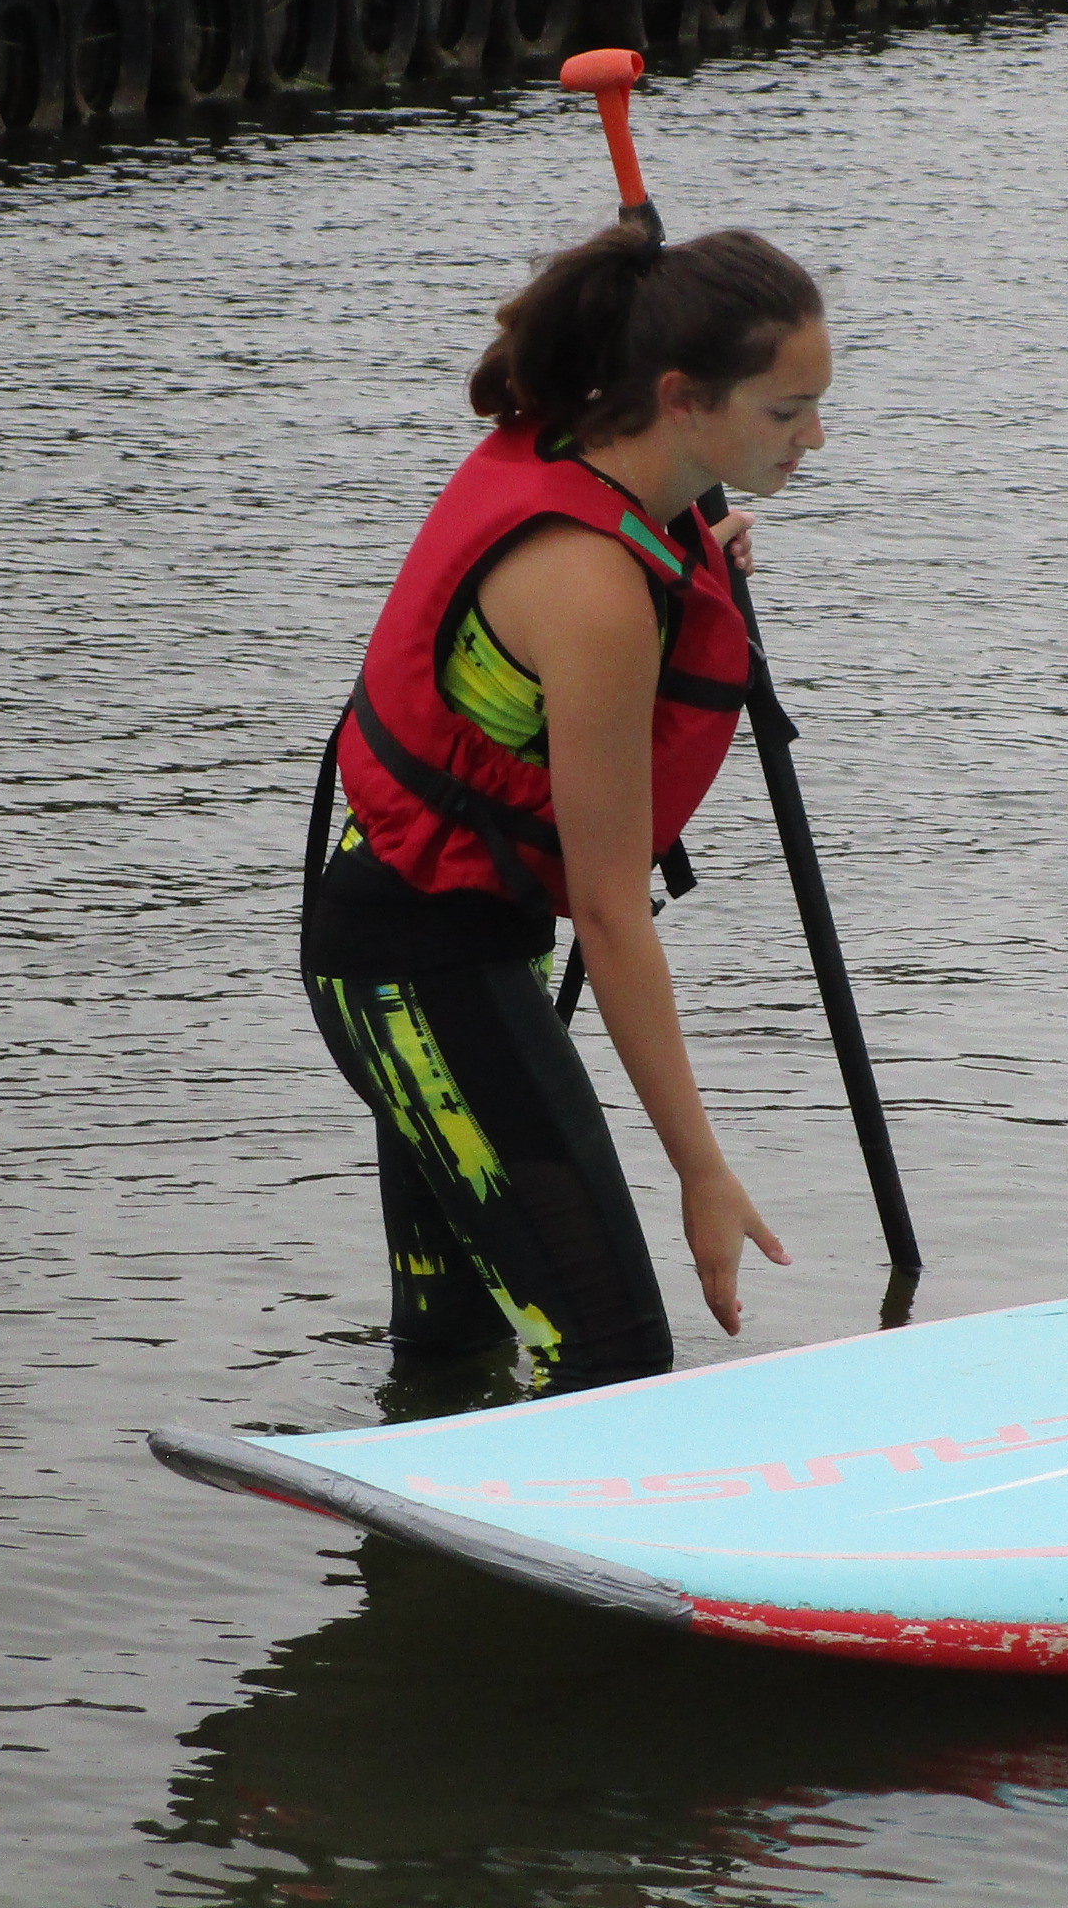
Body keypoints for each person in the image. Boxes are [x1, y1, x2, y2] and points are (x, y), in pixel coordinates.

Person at [299, 222, 830, 1395]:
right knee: (611, 1357)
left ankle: (409, 1493)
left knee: (456, 1345)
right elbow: (608, 908)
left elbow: (618, 548)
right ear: (682, 398)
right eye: (786, 412)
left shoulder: (598, 460)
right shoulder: (591, 589)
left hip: (420, 935)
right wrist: (701, 1171)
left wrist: (698, 557)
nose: (814, 438)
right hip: (414, 973)